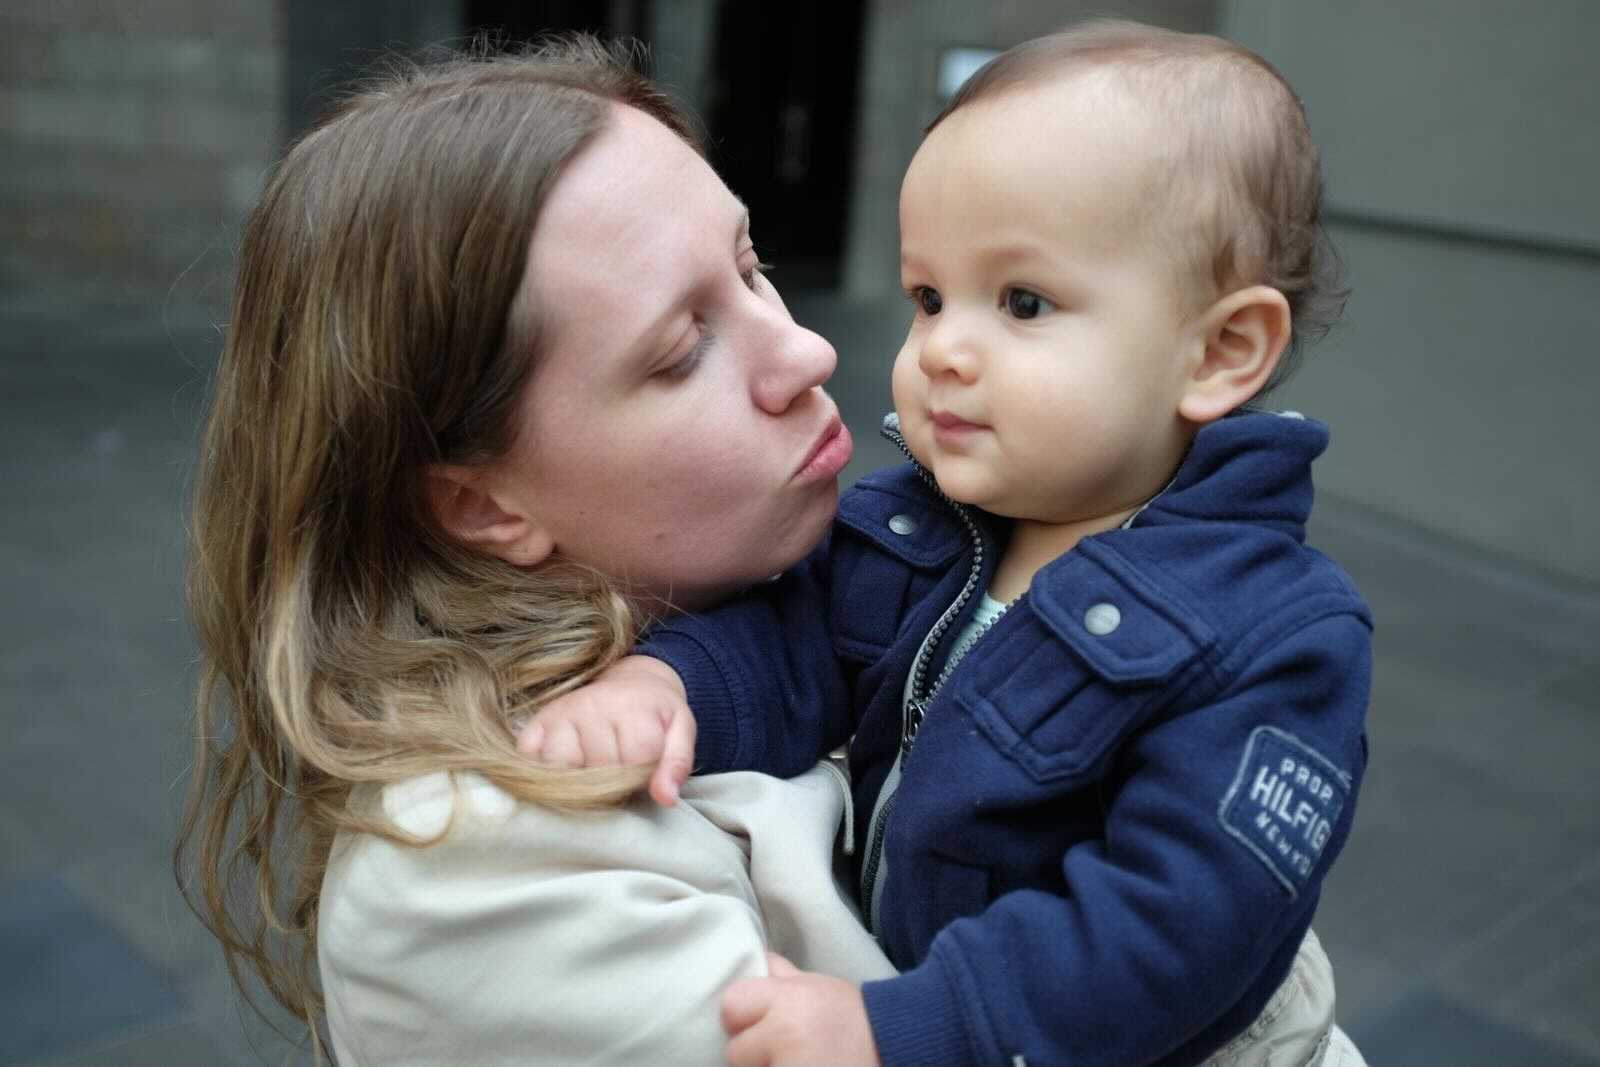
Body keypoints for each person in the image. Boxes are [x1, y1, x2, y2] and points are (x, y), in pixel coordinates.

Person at [529, 20, 1373, 1067]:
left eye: (1022, 302)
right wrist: (666, 688)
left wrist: (922, 1027)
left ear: (1219, 351)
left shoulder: (1274, 638)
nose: (941, 353)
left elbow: (1175, 926)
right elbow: (793, 643)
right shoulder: (916, 531)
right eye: (930, 298)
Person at [174, 37, 896, 1066]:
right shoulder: (476, 867)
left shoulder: (832, 587)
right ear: (481, 504)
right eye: (683, 349)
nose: (806, 352)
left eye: (750, 266)